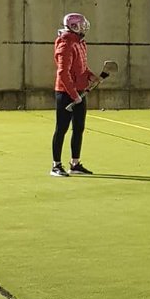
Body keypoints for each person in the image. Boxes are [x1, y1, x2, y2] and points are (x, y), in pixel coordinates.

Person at [51, 12, 103, 177]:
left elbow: (81, 67)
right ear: (74, 26)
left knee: (78, 128)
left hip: (80, 92)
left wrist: (91, 76)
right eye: (81, 24)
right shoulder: (65, 44)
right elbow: (63, 73)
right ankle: (56, 165)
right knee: (62, 129)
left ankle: (75, 164)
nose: (85, 26)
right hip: (65, 92)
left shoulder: (80, 43)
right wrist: (73, 94)